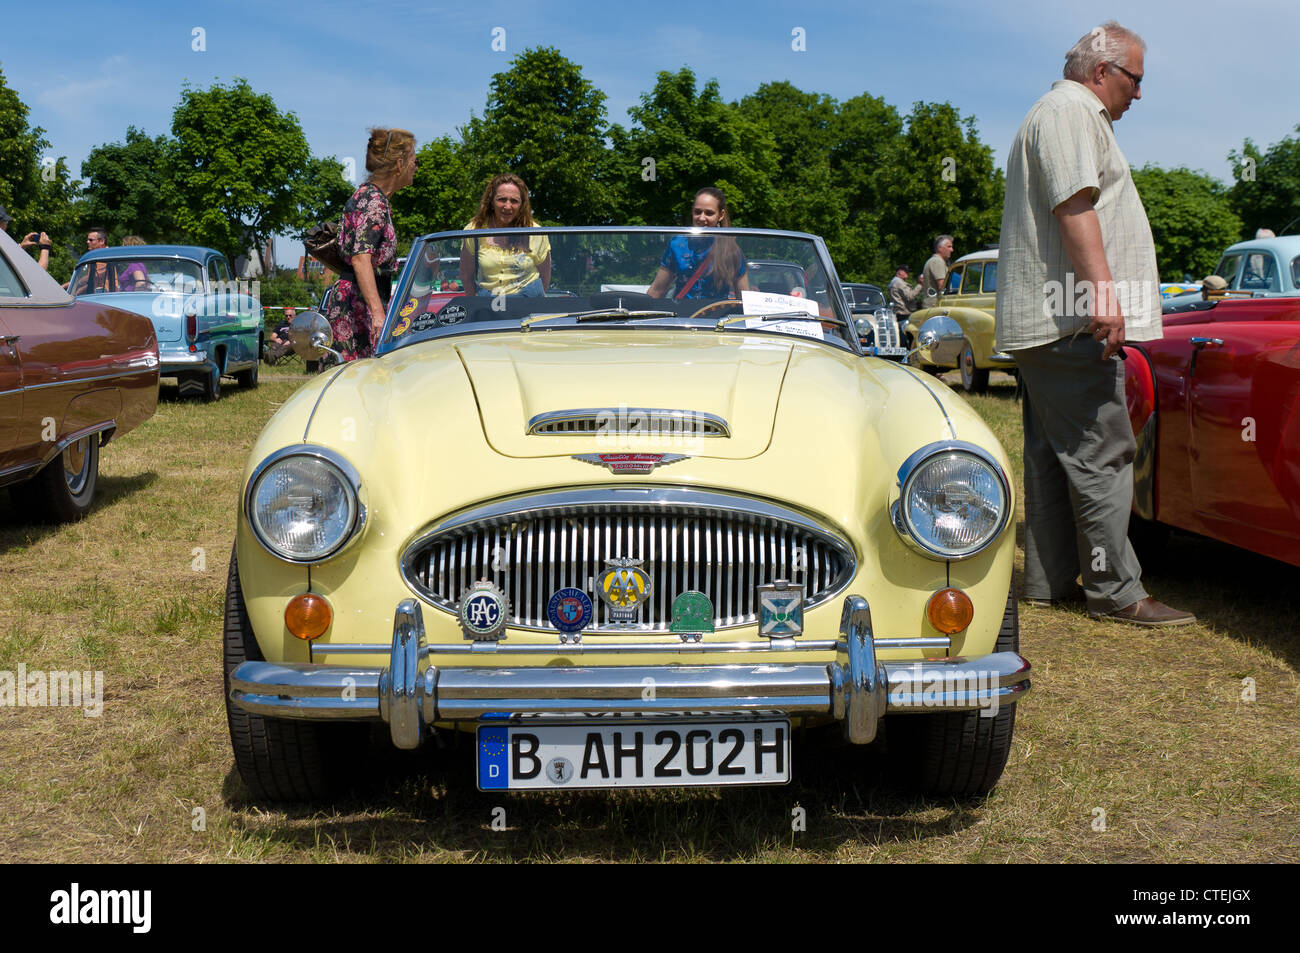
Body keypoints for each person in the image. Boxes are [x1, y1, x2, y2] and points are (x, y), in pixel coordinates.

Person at [995, 20, 1194, 627]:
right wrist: (1104, 299)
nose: (1138, 93)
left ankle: (1050, 579)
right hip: (1071, 319)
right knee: (1105, 451)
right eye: (1134, 79)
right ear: (1101, 72)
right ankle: (1115, 590)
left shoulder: (1062, 113)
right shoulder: (1071, 111)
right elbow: (1074, 205)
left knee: (1055, 454)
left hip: (1054, 318)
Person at [323, 127, 416, 360]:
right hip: (358, 306)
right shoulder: (373, 200)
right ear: (399, 164)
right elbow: (361, 258)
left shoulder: (370, 196)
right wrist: (377, 314)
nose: (416, 167)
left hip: (358, 301)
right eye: (414, 160)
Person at [647, 187, 749, 300]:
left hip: (718, 315)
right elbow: (657, 290)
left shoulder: (731, 249)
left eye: (709, 213)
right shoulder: (677, 244)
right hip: (682, 314)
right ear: (692, 211)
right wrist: (639, 312)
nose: (701, 218)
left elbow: (743, 298)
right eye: (697, 212)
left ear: (721, 215)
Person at [459, 174, 550, 297]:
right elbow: (466, 276)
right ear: (491, 201)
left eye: (514, 201)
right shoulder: (474, 230)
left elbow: (545, 277)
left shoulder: (536, 232)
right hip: (488, 305)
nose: (507, 206)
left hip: (529, 303)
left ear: (522, 204)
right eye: (501, 199)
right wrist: (477, 307)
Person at [918, 235, 953, 306]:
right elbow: (942, 286)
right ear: (940, 248)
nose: (952, 250)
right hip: (936, 305)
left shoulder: (935, 261)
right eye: (949, 246)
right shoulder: (937, 261)